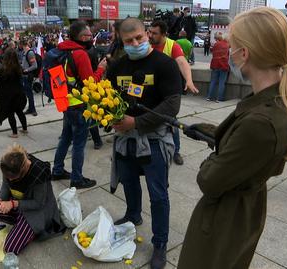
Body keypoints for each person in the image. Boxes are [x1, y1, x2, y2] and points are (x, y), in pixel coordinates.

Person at [177, 7, 287, 269]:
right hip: (243, 212)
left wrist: (213, 158)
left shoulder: (262, 122)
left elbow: (209, 180)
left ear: (244, 54)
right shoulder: (276, 102)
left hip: (225, 220)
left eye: (233, 47)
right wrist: (213, 133)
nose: (231, 53)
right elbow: (249, 152)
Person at [107, 18, 182, 269]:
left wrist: (137, 123)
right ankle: (133, 215)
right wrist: (108, 118)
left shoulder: (165, 64)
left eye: (140, 37)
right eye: (129, 41)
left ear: (147, 34)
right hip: (125, 140)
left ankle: (160, 243)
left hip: (153, 140)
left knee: (158, 194)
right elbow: (108, 98)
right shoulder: (117, 66)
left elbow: (172, 104)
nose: (135, 43)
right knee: (128, 181)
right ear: (122, 41)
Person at [0, 144, 65, 255]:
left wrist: (12, 204)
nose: (9, 179)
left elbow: (39, 203)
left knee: (10, 248)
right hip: (17, 203)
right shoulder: (8, 164)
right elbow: (6, 186)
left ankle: (27, 228)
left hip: (36, 212)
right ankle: (20, 224)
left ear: (23, 169)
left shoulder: (38, 172)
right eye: (8, 177)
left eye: (12, 178)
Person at [51, 20, 107, 189]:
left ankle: (58, 170)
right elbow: (91, 83)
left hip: (66, 102)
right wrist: (101, 68)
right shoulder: (80, 54)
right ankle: (76, 178)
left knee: (66, 137)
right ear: (83, 37)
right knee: (79, 144)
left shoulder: (62, 50)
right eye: (90, 36)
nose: (92, 38)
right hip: (79, 106)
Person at [149, 20, 199, 166]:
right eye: (149, 32)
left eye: (154, 33)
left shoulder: (172, 45)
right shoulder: (146, 44)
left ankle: (176, 151)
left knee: (171, 121)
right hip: (151, 90)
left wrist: (188, 80)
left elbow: (183, 62)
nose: (150, 35)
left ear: (164, 34)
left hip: (168, 91)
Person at [0, 49, 28, 138]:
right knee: (20, 112)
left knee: (10, 114)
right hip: (19, 93)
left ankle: (15, 133)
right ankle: (25, 129)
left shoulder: (4, 69)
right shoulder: (18, 67)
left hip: (10, 96)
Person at [206, 32, 229, 102]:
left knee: (213, 81)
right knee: (222, 82)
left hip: (215, 65)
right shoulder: (227, 45)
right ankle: (219, 98)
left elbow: (211, 51)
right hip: (223, 65)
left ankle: (209, 97)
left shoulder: (216, 44)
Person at [20, 42, 38, 116]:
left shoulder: (30, 53)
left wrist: (27, 70)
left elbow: (35, 65)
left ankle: (33, 110)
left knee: (29, 93)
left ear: (24, 45)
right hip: (24, 76)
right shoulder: (25, 52)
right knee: (27, 93)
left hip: (28, 76)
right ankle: (30, 108)